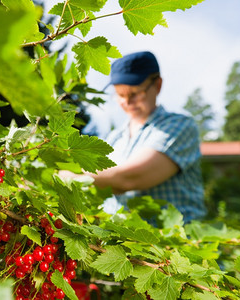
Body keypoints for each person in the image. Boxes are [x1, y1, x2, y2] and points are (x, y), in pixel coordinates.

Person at [62, 51, 206, 223]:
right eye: (121, 95)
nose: (127, 102)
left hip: (172, 244)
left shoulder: (179, 127)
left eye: (135, 93)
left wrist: (71, 178)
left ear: (157, 85)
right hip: (124, 244)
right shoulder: (114, 139)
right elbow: (99, 180)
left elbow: (127, 179)